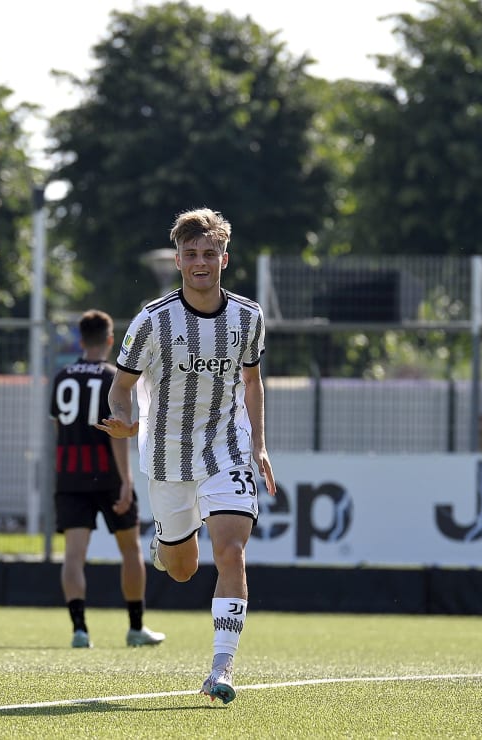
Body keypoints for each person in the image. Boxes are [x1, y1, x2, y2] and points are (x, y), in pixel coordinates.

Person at [95, 207, 276, 705]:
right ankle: (167, 543)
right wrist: (127, 421)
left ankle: (221, 668)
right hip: (168, 457)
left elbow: (253, 381)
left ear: (224, 257)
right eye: (192, 254)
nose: (201, 262)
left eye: (209, 253)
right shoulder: (152, 321)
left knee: (232, 553)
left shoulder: (248, 316)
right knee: (181, 569)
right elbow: (122, 387)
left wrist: (258, 444)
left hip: (227, 449)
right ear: (178, 260)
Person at [50, 309, 165, 649]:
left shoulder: (61, 377)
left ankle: (79, 630)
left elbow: (59, 428)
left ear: (81, 340)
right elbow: (118, 433)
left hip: (70, 477)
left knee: (73, 556)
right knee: (130, 551)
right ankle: (135, 627)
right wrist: (126, 481)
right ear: (110, 340)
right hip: (108, 477)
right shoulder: (113, 377)